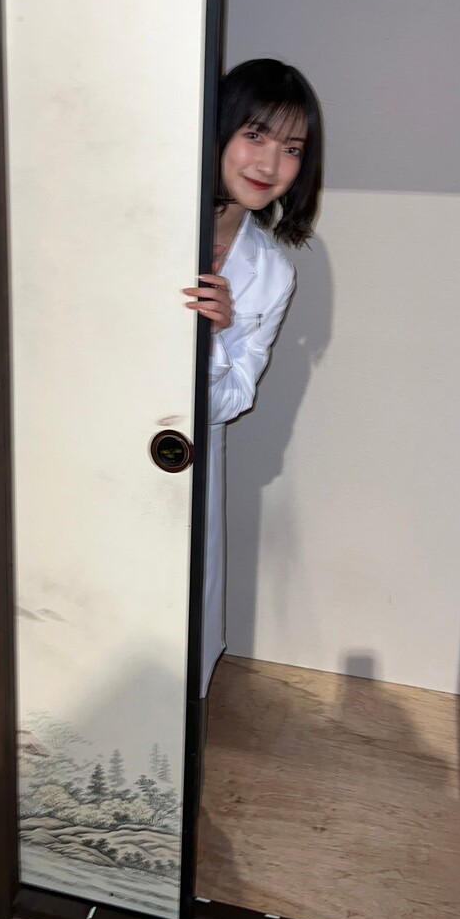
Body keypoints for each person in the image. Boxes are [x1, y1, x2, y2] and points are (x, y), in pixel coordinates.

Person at [182, 58, 324, 699]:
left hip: (182, 460)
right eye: (256, 135)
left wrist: (214, 337)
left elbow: (234, 400)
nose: (271, 163)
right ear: (218, 130)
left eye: (292, 148)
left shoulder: (272, 272)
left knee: (178, 613)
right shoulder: (144, 220)